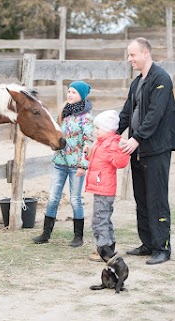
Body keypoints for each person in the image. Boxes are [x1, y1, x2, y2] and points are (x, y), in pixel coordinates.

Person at [117, 37, 175, 265]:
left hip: (156, 149)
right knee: (141, 198)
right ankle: (147, 243)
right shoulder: (137, 83)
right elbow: (127, 113)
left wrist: (136, 138)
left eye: (133, 55)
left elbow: (155, 114)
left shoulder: (161, 79)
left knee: (157, 198)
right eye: (129, 55)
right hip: (137, 150)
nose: (130, 59)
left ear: (146, 53)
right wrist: (111, 134)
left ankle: (162, 248)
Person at [32, 80, 94, 247]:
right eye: (69, 91)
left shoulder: (86, 118)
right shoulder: (64, 114)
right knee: (53, 198)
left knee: (75, 199)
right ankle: (46, 233)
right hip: (60, 162)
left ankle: (78, 236)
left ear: (81, 95)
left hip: (76, 167)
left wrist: (83, 165)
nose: (69, 95)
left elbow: (89, 143)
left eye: (74, 92)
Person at [84, 110, 130, 262]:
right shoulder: (100, 143)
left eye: (98, 128)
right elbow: (96, 160)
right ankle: (108, 246)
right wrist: (88, 153)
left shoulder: (112, 144)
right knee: (103, 218)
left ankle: (103, 250)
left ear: (109, 129)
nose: (95, 131)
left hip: (105, 189)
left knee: (99, 220)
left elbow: (120, 163)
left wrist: (124, 151)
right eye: (95, 128)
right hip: (100, 187)